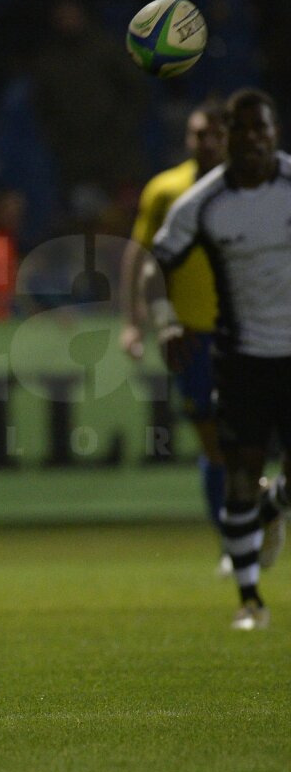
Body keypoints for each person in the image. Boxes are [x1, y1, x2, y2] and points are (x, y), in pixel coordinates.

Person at [147, 88, 291, 631]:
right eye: (244, 129)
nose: (254, 138)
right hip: (240, 356)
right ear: (227, 136)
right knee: (237, 474)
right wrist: (163, 319)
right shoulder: (200, 202)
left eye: (264, 128)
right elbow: (150, 263)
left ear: (275, 133)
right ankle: (250, 600)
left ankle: (274, 505)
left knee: (269, 484)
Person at [119, 102, 229, 573]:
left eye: (213, 134)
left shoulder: (253, 189)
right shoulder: (167, 190)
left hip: (252, 331)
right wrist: (134, 320)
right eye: (196, 134)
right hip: (191, 334)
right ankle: (233, 538)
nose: (204, 142)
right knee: (213, 440)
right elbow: (141, 257)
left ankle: (253, 513)